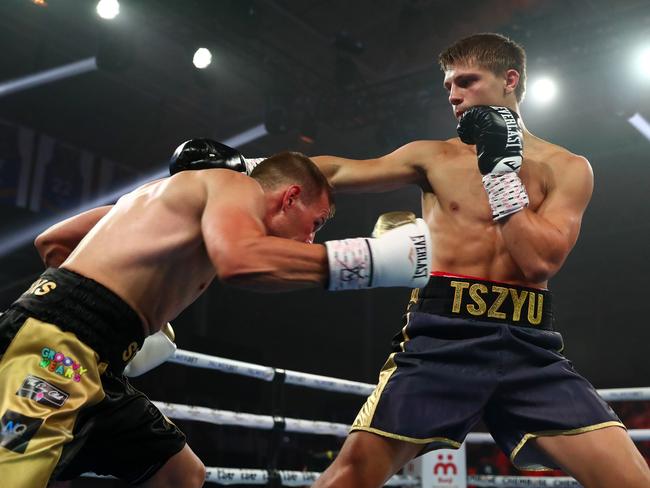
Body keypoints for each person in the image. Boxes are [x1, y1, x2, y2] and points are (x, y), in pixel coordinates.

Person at [211, 34, 650, 488]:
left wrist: (498, 172)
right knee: (351, 474)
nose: (454, 96)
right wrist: (244, 164)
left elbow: (539, 260)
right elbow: (338, 171)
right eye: (448, 87)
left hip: (529, 348)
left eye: (467, 81)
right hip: (442, 340)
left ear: (510, 80)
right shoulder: (432, 157)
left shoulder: (568, 167)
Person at [0, 150, 433, 488]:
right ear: (290, 196)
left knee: (179, 475)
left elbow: (53, 242)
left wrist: (129, 318)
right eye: (315, 223)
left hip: (95, 351)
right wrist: (372, 260)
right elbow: (241, 262)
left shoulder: (165, 199)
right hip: (57, 347)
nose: (310, 238)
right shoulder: (234, 186)